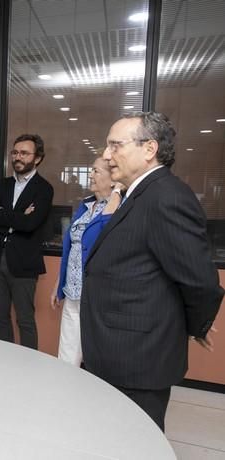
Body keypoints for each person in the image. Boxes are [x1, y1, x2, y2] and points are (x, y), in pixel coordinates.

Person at [81, 112, 223, 431]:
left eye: (115, 145)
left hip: (137, 358)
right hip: (118, 350)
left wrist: (195, 324)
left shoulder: (166, 197)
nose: (106, 155)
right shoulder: (138, 194)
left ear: (149, 149)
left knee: (134, 442)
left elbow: (199, 280)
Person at [0, 134, 54, 349]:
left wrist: (0, 213)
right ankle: (6, 362)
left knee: (25, 319)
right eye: (15, 152)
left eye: (24, 153)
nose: (17, 157)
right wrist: (19, 216)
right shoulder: (2, 185)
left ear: (37, 158)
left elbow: (31, 224)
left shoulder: (44, 188)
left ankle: (29, 368)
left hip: (23, 263)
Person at [50, 158, 121, 366]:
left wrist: (117, 194)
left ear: (112, 179)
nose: (91, 175)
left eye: (96, 171)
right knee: (67, 353)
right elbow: (71, 247)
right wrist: (59, 283)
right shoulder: (85, 205)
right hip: (72, 290)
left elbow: (102, 235)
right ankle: (64, 392)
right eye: (91, 170)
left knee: (94, 355)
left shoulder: (119, 207)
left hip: (96, 294)